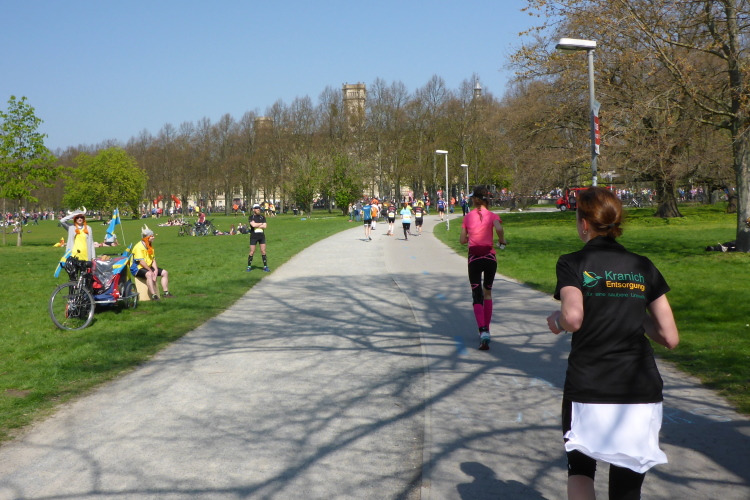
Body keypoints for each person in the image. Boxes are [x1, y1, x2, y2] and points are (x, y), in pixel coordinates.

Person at [546, 187, 679, 500]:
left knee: (581, 469)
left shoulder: (573, 262)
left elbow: (573, 316)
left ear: (584, 224)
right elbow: (670, 337)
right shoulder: (643, 266)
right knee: (627, 481)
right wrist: (632, 310)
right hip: (639, 388)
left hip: (590, 386)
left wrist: (558, 321)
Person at [459, 186, 506, 350]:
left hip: (474, 259)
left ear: (474, 199)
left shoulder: (467, 217)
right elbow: (499, 228)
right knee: (488, 292)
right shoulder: (493, 216)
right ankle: (487, 329)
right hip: (489, 258)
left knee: (476, 294)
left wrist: (470, 237)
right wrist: (501, 240)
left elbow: (462, 241)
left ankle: (482, 330)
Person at [131, 225, 173, 300]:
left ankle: (166, 293)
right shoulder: (138, 247)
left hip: (147, 267)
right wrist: (151, 271)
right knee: (149, 274)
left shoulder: (150, 246)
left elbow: (153, 259)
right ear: (147, 237)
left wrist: (156, 270)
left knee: (165, 273)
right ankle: (154, 295)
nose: (154, 237)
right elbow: (141, 262)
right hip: (137, 268)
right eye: (152, 236)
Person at [247, 204, 270, 272]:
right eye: (256, 208)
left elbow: (265, 226)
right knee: (252, 252)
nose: (258, 209)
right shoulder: (251, 217)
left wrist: (257, 224)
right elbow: (253, 225)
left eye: (259, 208)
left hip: (261, 236)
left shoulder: (262, 217)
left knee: (263, 251)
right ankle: (249, 267)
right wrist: (261, 224)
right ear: (253, 209)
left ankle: (265, 266)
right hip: (253, 236)